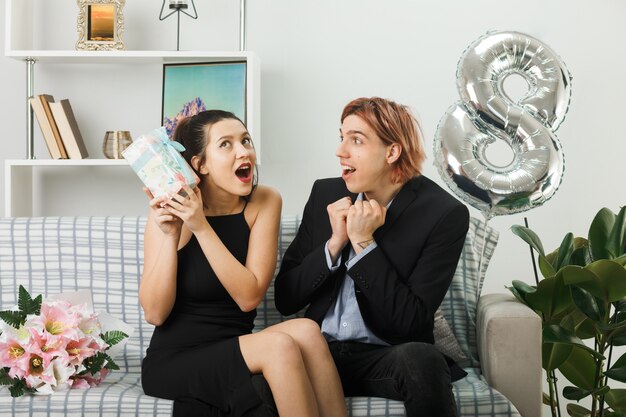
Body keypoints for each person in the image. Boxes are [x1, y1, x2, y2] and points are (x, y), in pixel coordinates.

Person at [140, 110, 348, 417]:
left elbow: (248, 296)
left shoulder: (265, 201)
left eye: (245, 140)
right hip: (175, 360)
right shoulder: (171, 206)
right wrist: (174, 234)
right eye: (226, 144)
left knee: (306, 330)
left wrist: (201, 227)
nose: (243, 151)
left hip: (235, 346)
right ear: (201, 165)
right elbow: (155, 313)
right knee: (278, 346)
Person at [274, 97, 470, 417]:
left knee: (422, 359)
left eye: (356, 140)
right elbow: (286, 297)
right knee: (251, 384)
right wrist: (335, 243)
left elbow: (410, 323)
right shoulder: (326, 194)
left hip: (385, 356)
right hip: (316, 353)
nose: (341, 151)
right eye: (342, 137)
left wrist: (364, 244)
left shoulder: (443, 214)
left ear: (392, 152)